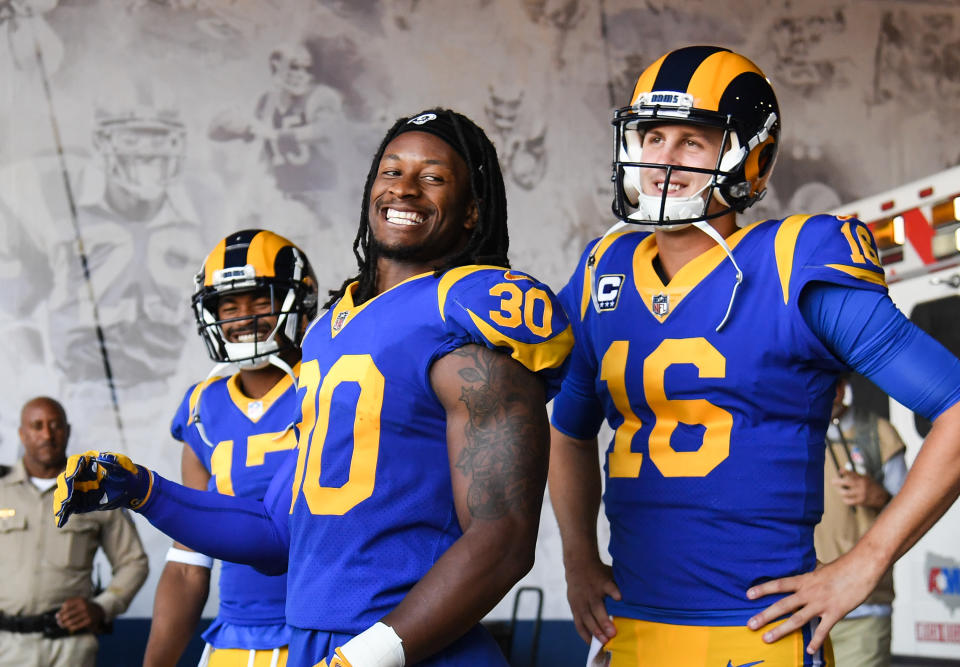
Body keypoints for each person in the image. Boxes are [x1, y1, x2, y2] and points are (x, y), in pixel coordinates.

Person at [55, 108, 573, 667]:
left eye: (434, 177)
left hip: (414, 648)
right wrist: (145, 491)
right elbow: (277, 532)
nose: (405, 188)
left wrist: (365, 658)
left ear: (473, 211)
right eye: (391, 171)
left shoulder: (464, 310)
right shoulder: (331, 330)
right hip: (316, 644)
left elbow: (503, 539)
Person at [547, 45, 960, 666]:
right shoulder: (602, 271)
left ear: (751, 154)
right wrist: (579, 560)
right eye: (653, 135)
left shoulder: (796, 260)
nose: (664, 160)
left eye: (693, 141)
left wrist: (864, 563)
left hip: (756, 637)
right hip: (630, 631)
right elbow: (568, 431)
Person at [144, 229, 319, 667]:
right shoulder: (202, 407)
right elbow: (189, 561)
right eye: (229, 304)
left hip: (331, 629)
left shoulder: (332, 384)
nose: (244, 316)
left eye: (260, 300)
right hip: (235, 636)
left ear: (298, 300)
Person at [0, 396, 148, 667]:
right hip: (6, 645)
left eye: (55, 426)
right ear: (22, 434)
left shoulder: (94, 491)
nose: (47, 434)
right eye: (37, 426)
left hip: (71, 648)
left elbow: (133, 562)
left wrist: (103, 606)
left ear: (67, 432)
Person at [815, 376, 907, 667]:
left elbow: (915, 512)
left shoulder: (878, 434)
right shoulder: (788, 434)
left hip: (864, 608)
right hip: (803, 606)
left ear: (841, 389)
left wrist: (879, 495)